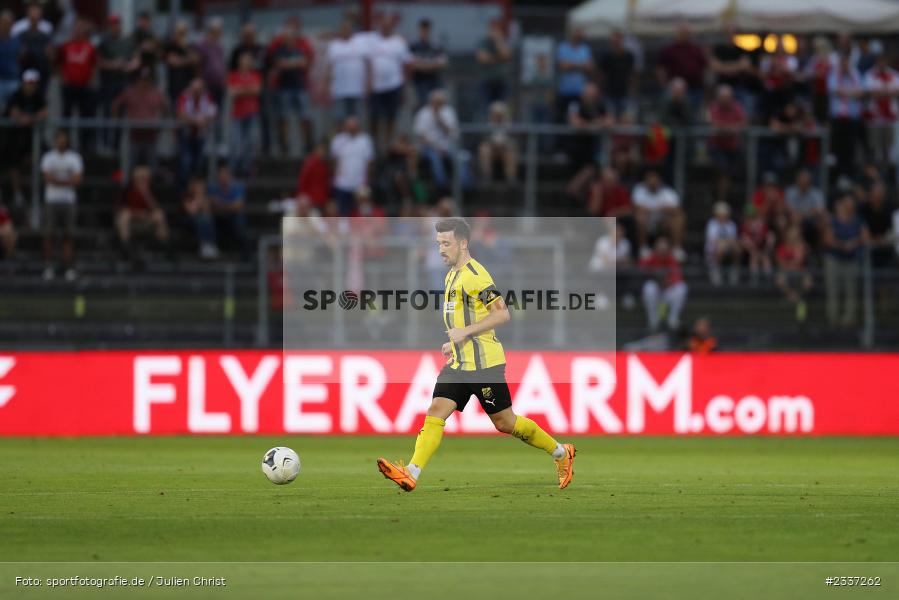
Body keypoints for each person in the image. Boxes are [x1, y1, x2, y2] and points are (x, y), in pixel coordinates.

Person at [376, 217, 576, 492]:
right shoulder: (450, 276)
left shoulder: (476, 275)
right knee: (436, 411)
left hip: (485, 366)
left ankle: (561, 453)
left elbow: (502, 313)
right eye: (438, 244)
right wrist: (455, 343)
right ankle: (411, 472)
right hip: (459, 364)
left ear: (463, 243)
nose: (441, 249)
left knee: (505, 422)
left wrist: (465, 332)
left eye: (446, 243)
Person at [40, 130, 83, 281]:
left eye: (64, 138)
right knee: (49, 234)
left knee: (69, 235)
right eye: (59, 139)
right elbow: (46, 177)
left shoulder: (74, 158)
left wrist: (57, 181)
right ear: (55, 140)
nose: (61, 141)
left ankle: (68, 267)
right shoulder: (48, 157)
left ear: (67, 141)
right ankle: (48, 267)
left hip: (69, 200)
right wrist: (66, 181)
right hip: (51, 200)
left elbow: (77, 179)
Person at [2, 69, 47, 207]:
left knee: (41, 157)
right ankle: (17, 193)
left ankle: (37, 192)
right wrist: (27, 119)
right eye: (28, 83)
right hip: (13, 137)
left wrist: (30, 119)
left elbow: (44, 111)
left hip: (30, 136)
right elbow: (14, 112)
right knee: (13, 162)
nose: (30, 86)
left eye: (33, 83)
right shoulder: (16, 95)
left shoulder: (38, 95)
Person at [823, 195, 869, 327]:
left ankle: (849, 319)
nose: (850, 207)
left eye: (852, 205)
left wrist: (853, 243)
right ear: (843, 205)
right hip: (834, 259)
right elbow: (827, 238)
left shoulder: (858, 220)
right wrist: (843, 245)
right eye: (847, 205)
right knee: (833, 289)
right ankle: (833, 319)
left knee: (851, 291)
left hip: (851, 259)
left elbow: (865, 236)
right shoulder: (833, 220)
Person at [111, 66, 169, 171]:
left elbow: (165, 109)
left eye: (146, 80)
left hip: (151, 135)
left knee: (152, 166)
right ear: (137, 80)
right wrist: (117, 122)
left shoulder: (156, 93)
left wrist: (161, 126)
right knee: (131, 165)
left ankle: (152, 184)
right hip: (134, 135)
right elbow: (116, 105)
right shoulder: (129, 92)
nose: (144, 83)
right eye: (142, 80)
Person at [367, 14, 411, 149]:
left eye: (388, 26)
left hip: (394, 85)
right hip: (376, 86)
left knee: (391, 116)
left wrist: (404, 84)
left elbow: (407, 64)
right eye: (383, 25)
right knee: (374, 116)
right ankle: (375, 143)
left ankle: (388, 143)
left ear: (392, 27)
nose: (385, 28)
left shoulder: (399, 42)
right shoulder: (372, 40)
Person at [271, 16, 313, 155]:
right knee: (284, 117)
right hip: (284, 88)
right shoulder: (280, 49)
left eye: (292, 35)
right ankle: (284, 146)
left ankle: (306, 144)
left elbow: (304, 63)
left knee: (304, 116)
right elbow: (279, 64)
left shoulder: (301, 47)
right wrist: (295, 63)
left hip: (300, 87)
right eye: (287, 36)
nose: (290, 38)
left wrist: (288, 63)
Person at [97, 14, 137, 151]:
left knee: (120, 114)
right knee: (107, 113)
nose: (115, 27)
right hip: (108, 83)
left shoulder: (127, 42)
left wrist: (129, 66)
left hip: (123, 83)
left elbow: (136, 60)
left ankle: (116, 145)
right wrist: (114, 64)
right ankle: (105, 144)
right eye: (112, 24)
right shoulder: (104, 42)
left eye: (117, 24)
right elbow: (98, 62)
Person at [412, 89, 466, 190]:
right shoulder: (423, 113)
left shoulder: (449, 111)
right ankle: (442, 185)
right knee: (435, 158)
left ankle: (464, 186)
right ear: (431, 101)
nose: (438, 104)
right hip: (429, 148)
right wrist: (435, 147)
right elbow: (420, 137)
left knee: (461, 157)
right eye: (436, 101)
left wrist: (439, 119)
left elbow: (453, 133)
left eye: (440, 102)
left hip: (448, 147)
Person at [117, 165, 170, 261]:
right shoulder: (128, 190)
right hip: (131, 222)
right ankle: (125, 246)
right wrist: (140, 213)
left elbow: (155, 208)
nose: (142, 181)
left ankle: (164, 245)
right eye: (140, 179)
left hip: (145, 221)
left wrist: (146, 193)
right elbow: (122, 210)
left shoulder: (151, 190)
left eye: (145, 179)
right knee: (125, 215)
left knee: (159, 214)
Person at [57, 18, 97, 146]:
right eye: (76, 28)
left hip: (84, 86)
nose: (78, 31)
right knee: (66, 115)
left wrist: (91, 80)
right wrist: (62, 78)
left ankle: (84, 145)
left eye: (81, 29)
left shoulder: (89, 47)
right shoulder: (66, 46)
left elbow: (95, 64)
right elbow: (58, 63)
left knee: (85, 116)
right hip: (69, 86)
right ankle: (64, 143)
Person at [707, 84, 748, 204]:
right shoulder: (713, 107)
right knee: (722, 172)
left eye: (728, 97)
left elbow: (743, 124)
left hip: (733, 146)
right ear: (718, 98)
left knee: (730, 173)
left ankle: (722, 197)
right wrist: (731, 128)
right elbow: (714, 125)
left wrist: (725, 128)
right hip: (716, 146)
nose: (725, 100)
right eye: (723, 97)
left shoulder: (737, 107)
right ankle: (720, 199)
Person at [632, 170, 685, 259]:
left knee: (679, 219)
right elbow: (637, 207)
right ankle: (643, 248)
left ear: (659, 181)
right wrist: (661, 208)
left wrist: (654, 209)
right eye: (650, 180)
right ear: (646, 181)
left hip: (663, 223)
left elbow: (677, 210)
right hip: (647, 223)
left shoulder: (668, 192)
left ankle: (677, 249)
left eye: (654, 180)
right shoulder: (639, 190)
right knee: (641, 217)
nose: (652, 182)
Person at [639, 235, 687, 332]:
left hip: (668, 291)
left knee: (682, 288)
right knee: (648, 287)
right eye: (660, 249)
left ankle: (672, 319)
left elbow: (678, 277)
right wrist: (654, 275)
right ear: (656, 249)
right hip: (656, 291)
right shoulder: (652, 257)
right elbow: (640, 268)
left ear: (668, 250)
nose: (662, 252)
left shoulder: (671, 259)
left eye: (664, 249)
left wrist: (669, 281)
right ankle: (653, 320)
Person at [176, 77, 217, 188]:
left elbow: (213, 113)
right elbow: (180, 113)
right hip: (186, 134)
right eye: (194, 90)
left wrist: (205, 121)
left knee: (198, 163)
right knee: (186, 162)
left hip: (201, 135)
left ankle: (195, 189)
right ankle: (182, 189)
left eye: (198, 90)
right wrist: (194, 121)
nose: (196, 93)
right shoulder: (185, 95)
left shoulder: (208, 96)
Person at [828, 52, 865, 179]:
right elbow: (835, 90)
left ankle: (848, 175)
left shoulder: (855, 74)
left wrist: (846, 93)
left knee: (850, 147)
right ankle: (836, 175)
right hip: (838, 118)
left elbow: (860, 93)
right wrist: (851, 93)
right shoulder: (834, 75)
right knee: (837, 147)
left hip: (852, 118)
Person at [330, 116, 374, 215]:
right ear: (345, 127)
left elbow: (370, 162)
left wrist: (368, 180)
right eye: (349, 127)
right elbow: (333, 161)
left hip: (360, 184)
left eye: (354, 127)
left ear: (358, 127)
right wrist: (335, 177)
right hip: (342, 183)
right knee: (343, 211)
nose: (352, 129)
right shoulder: (338, 140)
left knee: (363, 211)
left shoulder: (365, 140)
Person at [326, 19, 368, 122]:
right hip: (339, 90)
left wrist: (368, 83)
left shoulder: (360, 43)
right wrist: (327, 86)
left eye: (347, 29)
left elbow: (368, 65)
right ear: (340, 31)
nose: (345, 31)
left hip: (357, 89)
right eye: (343, 29)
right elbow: (329, 67)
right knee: (339, 119)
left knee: (357, 119)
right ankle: (341, 138)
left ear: (351, 30)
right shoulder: (334, 45)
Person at [227, 52, 262, 176]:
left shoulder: (255, 75)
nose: (246, 63)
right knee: (236, 142)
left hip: (252, 113)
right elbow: (232, 93)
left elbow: (257, 91)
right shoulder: (233, 75)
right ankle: (233, 169)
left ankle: (246, 169)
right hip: (237, 114)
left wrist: (241, 89)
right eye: (244, 60)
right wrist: (248, 89)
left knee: (250, 142)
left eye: (248, 60)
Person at [863, 51, 899, 164]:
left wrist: (880, 93)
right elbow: (870, 93)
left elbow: (897, 92)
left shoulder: (894, 74)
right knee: (875, 146)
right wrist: (888, 93)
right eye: (880, 61)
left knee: (889, 146)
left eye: (884, 61)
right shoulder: (870, 75)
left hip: (890, 116)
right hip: (875, 116)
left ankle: (889, 173)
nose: (882, 64)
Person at [208, 165, 250, 260]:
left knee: (239, 220)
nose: (223, 178)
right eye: (221, 176)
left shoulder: (238, 186)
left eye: (225, 175)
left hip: (232, 216)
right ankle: (210, 247)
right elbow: (210, 204)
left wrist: (220, 205)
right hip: (217, 216)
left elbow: (238, 205)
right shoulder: (212, 187)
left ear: (230, 176)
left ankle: (245, 253)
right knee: (207, 218)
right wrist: (229, 206)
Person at [555, 27, 594, 122]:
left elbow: (589, 67)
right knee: (563, 119)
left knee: (579, 119)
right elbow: (563, 66)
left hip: (580, 93)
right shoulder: (563, 47)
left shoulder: (585, 49)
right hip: (565, 91)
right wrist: (581, 65)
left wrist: (571, 65)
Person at [775, 225, 813, 323]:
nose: (793, 238)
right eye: (791, 236)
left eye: (796, 236)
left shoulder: (800, 246)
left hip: (799, 272)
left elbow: (799, 261)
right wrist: (791, 265)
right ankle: (792, 296)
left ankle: (800, 303)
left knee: (807, 281)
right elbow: (781, 263)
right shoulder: (782, 247)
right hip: (787, 272)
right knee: (780, 279)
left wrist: (798, 248)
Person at [409, 18, 446, 109]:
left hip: (434, 80)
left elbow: (442, 63)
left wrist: (422, 64)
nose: (425, 32)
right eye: (423, 29)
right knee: (422, 105)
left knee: (437, 103)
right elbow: (411, 64)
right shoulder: (414, 45)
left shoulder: (435, 45)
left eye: (426, 29)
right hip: (418, 81)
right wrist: (431, 64)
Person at [475, 19, 512, 112]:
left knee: (502, 110)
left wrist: (498, 40)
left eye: (497, 28)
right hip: (486, 82)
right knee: (485, 109)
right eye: (493, 28)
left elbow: (506, 55)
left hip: (501, 82)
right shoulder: (483, 42)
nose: (494, 30)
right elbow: (483, 58)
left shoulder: (503, 41)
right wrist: (499, 58)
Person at [477, 101, 517, 183]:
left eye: (500, 114)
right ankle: (486, 176)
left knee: (511, 150)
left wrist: (503, 143)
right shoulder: (487, 123)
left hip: (504, 150)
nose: (498, 116)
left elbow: (512, 140)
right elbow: (484, 140)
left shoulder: (508, 123)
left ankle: (511, 178)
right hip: (491, 150)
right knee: (484, 149)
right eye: (496, 113)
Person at [599, 30, 636, 117]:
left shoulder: (629, 56)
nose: (616, 42)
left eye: (617, 40)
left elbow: (632, 75)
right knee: (610, 117)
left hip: (624, 92)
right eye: (613, 41)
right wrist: (601, 90)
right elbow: (601, 75)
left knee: (625, 117)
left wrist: (633, 90)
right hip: (610, 92)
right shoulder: (606, 56)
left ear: (621, 41)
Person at [164, 20, 199, 108]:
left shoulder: (190, 45)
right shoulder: (170, 46)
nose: (181, 34)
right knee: (176, 111)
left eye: (183, 32)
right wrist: (188, 60)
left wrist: (184, 48)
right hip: (175, 86)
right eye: (179, 32)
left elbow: (196, 59)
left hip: (189, 86)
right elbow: (173, 62)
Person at [704, 201, 740, 285]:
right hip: (714, 248)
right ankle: (715, 271)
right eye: (721, 214)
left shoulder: (731, 224)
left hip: (727, 247)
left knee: (737, 248)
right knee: (720, 248)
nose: (723, 216)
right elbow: (713, 240)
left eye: (724, 214)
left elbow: (733, 239)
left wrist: (726, 243)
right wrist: (724, 243)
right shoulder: (712, 224)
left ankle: (734, 271)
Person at [182, 175, 218, 259]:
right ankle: (204, 245)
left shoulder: (205, 197)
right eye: (198, 186)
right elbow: (191, 212)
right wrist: (198, 198)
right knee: (201, 219)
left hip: (204, 220)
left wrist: (203, 199)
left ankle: (210, 244)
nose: (199, 188)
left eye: (201, 186)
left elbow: (207, 211)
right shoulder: (187, 197)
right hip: (190, 220)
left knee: (208, 218)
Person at [194, 17, 226, 108]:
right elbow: (198, 63)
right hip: (207, 83)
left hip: (219, 83)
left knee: (218, 109)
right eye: (218, 30)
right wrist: (199, 80)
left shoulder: (220, 46)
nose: (220, 32)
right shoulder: (203, 45)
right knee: (208, 108)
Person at [739, 204, 775, 283]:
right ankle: (754, 279)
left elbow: (767, 236)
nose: (749, 218)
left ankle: (768, 279)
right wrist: (753, 248)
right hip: (750, 250)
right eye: (748, 216)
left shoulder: (760, 224)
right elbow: (744, 239)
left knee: (765, 258)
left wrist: (766, 248)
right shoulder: (744, 226)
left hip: (762, 248)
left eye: (752, 216)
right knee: (754, 256)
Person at [295, 139, 330, 210]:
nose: (322, 152)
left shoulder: (323, 164)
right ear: (315, 150)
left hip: (322, 198)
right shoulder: (310, 163)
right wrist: (302, 196)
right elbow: (303, 181)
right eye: (320, 150)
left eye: (324, 150)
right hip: (312, 199)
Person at [0, 11, 20, 110]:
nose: (6, 26)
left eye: (8, 23)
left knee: (12, 110)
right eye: (3, 23)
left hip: (13, 80)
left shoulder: (17, 41)